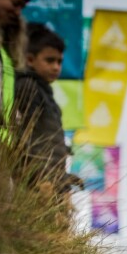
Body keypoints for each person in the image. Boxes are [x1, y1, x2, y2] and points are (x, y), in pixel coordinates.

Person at [14, 23, 77, 193]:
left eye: (59, 61)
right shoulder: (27, 86)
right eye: (50, 60)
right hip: (38, 185)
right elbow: (27, 138)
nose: (56, 67)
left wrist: (64, 179)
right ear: (30, 59)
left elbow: (49, 142)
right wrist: (39, 179)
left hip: (54, 182)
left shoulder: (46, 95)